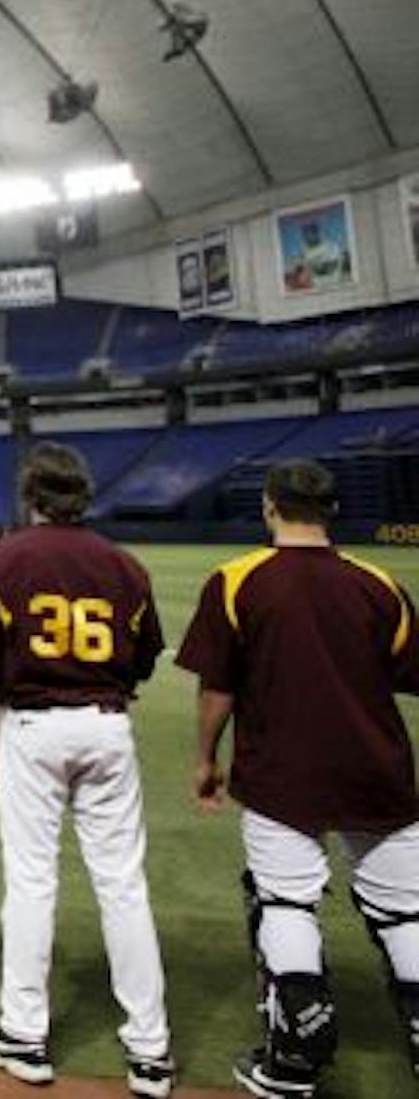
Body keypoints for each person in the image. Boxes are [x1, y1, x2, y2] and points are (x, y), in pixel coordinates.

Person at [179, 458, 419, 1099]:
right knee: (403, 913)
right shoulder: (379, 584)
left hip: (282, 772)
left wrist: (205, 757)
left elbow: (218, 687)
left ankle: (296, 1058)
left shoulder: (237, 580)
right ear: (332, 510)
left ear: (269, 507)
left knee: (286, 903)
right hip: (380, 770)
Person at [0, 443, 172, 1097]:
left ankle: (25, 1036)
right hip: (107, 724)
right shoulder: (125, 566)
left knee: (31, 882)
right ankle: (150, 1049)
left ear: (31, 496)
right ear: (84, 495)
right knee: (123, 886)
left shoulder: (2, 560)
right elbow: (144, 659)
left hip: (33, 726)